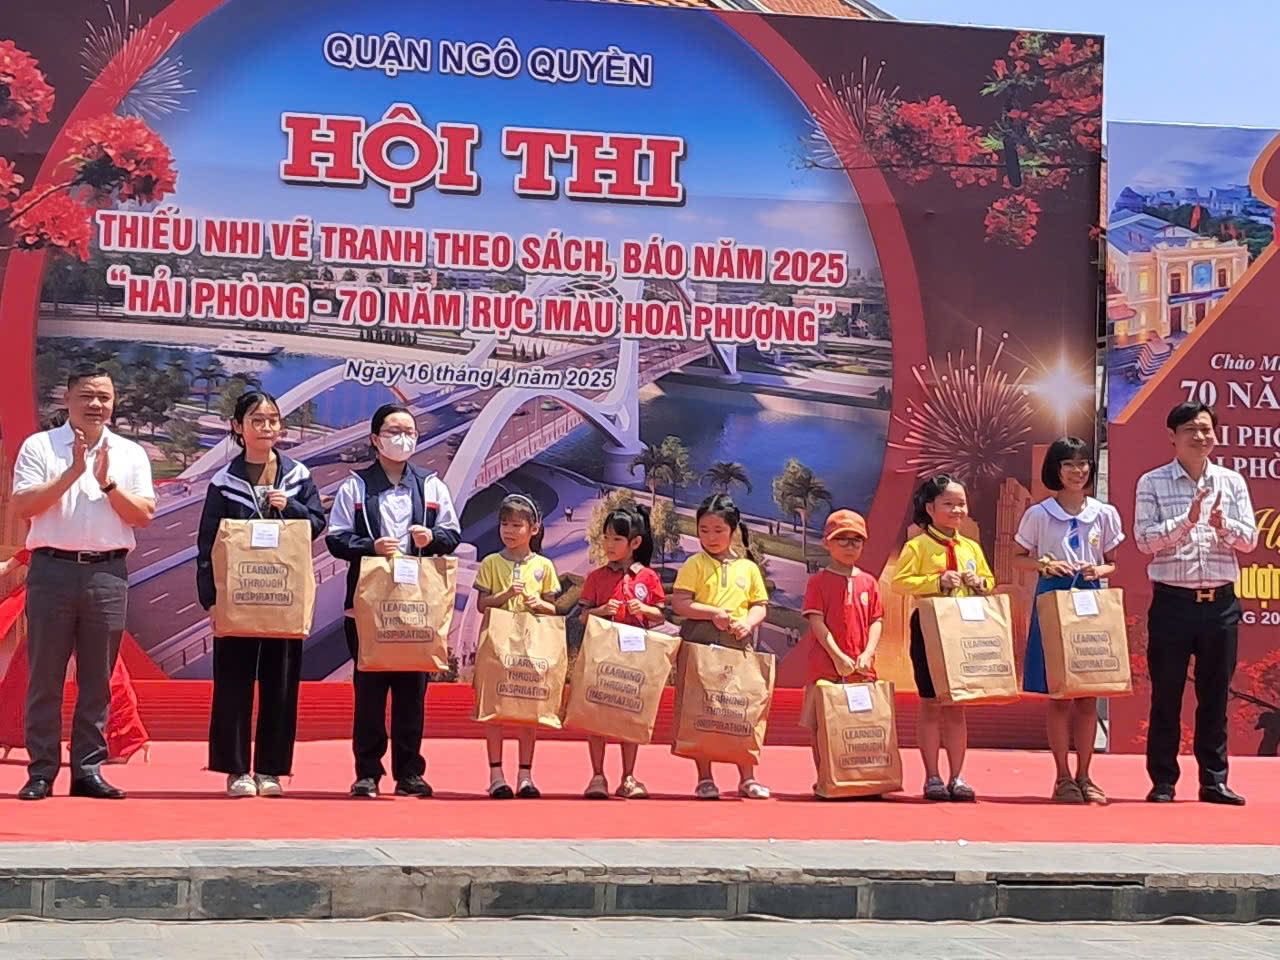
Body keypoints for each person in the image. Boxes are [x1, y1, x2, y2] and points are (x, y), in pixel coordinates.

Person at [11, 365, 155, 800]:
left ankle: (88, 769)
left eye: (104, 397)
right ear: (68, 399)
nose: (96, 404)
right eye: (87, 396)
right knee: (45, 676)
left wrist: (107, 483)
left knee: (98, 679)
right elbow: (23, 506)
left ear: (114, 403)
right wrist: (73, 471)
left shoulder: (130, 453)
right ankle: (41, 771)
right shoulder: (40, 446)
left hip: (107, 574)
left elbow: (142, 515)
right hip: (52, 571)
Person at [326, 404, 462, 799]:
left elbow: (452, 534)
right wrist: (370, 546)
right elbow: (336, 538)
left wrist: (431, 539)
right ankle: (367, 772)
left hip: (417, 605)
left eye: (409, 432)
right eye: (393, 431)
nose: (402, 439)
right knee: (369, 691)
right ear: (375, 438)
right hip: (367, 607)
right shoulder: (355, 487)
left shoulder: (431, 485)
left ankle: (409, 773)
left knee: (412, 693)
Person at [196, 391, 326, 798]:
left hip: (282, 593)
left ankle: (271, 769)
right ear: (238, 427)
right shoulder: (224, 481)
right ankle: (236, 769)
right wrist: (210, 600)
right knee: (233, 682)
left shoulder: (298, 476)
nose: (266, 427)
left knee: (280, 684)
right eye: (256, 420)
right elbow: (207, 544)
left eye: (272, 420)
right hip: (239, 593)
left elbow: (317, 523)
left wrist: (291, 507)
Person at [1135, 402, 1257, 806]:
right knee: (1166, 694)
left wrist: (1224, 526)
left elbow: (1249, 541)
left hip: (1220, 603)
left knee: (1216, 695)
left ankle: (1214, 780)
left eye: (1206, 429)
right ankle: (1163, 781)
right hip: (1173, 602)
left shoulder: (1231, 482)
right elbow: (1144, 541)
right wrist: (1186, 521)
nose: (1200, 436)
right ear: (1172, 435)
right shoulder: (1152, 482)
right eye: (1191, 429)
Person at [1014, 437, 1124, 804]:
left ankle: (1086, 774)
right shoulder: (1040, 514)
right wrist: (1045, 564)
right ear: (1056, 470)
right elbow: (1019, 558)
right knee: (1060, 694)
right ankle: (1062, 776)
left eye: (1082, 463)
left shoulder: (1103, 513)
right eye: (1068, 464)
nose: (1077, 471)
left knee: (1088, 695)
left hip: (1090, 599)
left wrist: (1099, 569)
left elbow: (1113, 562)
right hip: (1054, 596)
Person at [892, 475, 993, 802]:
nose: (957, 510)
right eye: (948, 504)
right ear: (930, 508)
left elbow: (989, 580)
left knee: (957, 703)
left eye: (961, 503)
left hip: (962, 628)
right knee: (931, 702)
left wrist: (979, 582)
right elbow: (901, 582)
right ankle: (932, 776)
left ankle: (958, 776)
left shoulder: (971, 547)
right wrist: (937, 581)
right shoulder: (918, 546)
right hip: (929, 626)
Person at [0, 550, 151, 764]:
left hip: (87, 586)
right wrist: (13, 563)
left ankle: (123, 738)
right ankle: (8, 732)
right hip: (59, 587)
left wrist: (13, 564)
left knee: (102, 669)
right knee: (28, 663)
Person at [671, 494, 770, 800]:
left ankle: (747, 777)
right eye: (704, 530)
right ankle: (704, 778)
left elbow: (759, 605)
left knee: (742, 707)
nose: (711, 537)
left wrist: (748, 623)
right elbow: (680, 603)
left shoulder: (748, 568)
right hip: (700, 641)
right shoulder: (694, 564)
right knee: (701, 710)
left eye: (718, 530)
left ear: (733, 530)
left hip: (737, 643)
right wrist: (712, 613)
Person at [473, 494, 560, 798]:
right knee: (494, 710)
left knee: (528, 708)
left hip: (531, 646)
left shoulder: (544, 566)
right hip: (497, 645)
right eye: (504, 524)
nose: (509, 531)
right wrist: (506, 594)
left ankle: (525, 775)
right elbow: (482, 604)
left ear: (533, 529)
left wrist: (538, 603)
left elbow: (553, 608)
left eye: (516, 525)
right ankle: (496, 775)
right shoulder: (491, 563)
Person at [578, 503, 666, 800]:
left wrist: (645, 609)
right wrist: (602, 610)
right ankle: (597, 776)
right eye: (606, 538)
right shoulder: (596, 577)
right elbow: (583, 616)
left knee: (631, 715)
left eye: (617, 539)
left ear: (635, 543)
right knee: (596, 714)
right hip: (602, 654)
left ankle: (628, 776)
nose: (609, 545)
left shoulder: (648, 577)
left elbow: (661, 615)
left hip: (634, 654)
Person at [799, 510, 884, 791]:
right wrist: (837, 656)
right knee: (823, 725)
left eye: (856, 540)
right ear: (827, 543)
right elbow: (817, 622)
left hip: (862, 670)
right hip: (825, 668)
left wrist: (867, 653)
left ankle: (861, 780)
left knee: (861, 726)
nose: (849, 546)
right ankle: (826, 779)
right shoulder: (818, 582)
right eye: (842, 539)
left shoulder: (869, 582)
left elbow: (876, 620)